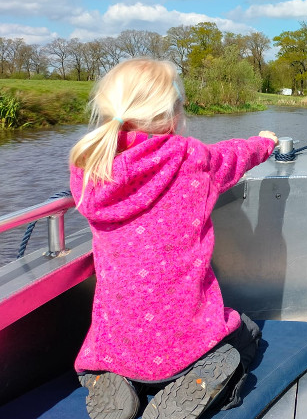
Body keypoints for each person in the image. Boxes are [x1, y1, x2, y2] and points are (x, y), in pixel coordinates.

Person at [68, 58, 278, 419]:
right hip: (185, 341)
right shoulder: (190, 158)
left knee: (113, 344)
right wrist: (265, 142)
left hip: (116, 344)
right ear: (173, 114)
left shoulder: (88, 167)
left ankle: (111, 379)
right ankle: (197, 380)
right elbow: (235, 155)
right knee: (246, 334)